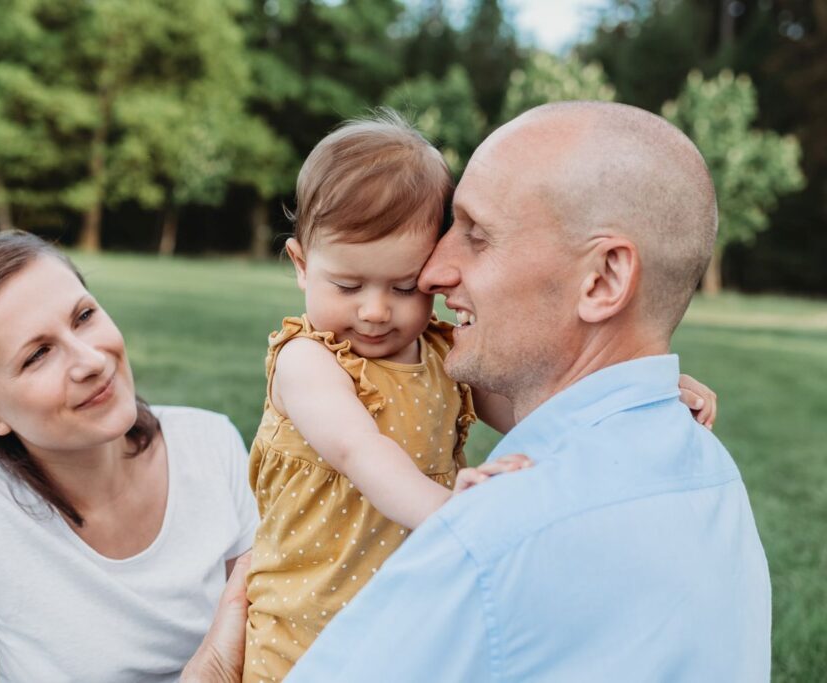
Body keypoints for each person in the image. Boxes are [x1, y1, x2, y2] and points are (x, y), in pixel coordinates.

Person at [288, 101, 770, 681]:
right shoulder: (710, 473)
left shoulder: (487, 539)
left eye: (476, 236)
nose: (432, 272)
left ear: (603, 279)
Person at [0, 231, 258, 683]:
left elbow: (268, 639)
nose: (92, 361)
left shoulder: (210, 444)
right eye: (38, 354)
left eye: (84, 316)